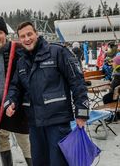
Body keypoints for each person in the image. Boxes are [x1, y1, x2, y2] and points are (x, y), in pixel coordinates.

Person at [5, 21, 89, 166]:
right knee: (39, 162)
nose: (27, 39)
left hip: (57, 122)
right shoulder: (22, 61)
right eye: (22, 36)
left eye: (29, 34)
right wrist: (10, 101)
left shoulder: (57, 52)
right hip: (35, 123)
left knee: (59, 162)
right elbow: (15, 87)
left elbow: (77, 82)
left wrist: (81, 112)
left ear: (36, 34)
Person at [0, 16, 31, 166]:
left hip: (18, 105)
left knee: (25, 141)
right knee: (2, 139)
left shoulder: (19, 50)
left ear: (5, 34)